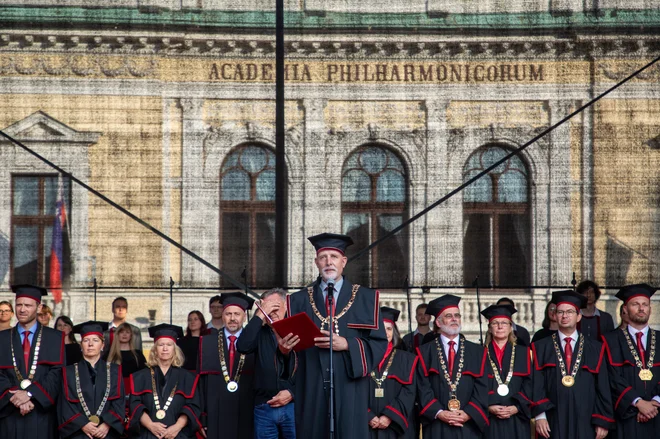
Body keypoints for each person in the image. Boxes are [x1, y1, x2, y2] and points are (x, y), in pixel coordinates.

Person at [286, 233, 388, 439]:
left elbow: (379, 344)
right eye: (323, 257)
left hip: (350, 385)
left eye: (333, 256)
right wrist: (284, 348)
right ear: (316, 262)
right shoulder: (297, 300)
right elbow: (289, 353)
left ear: (344, 262)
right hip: (311, 383)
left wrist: (348, 344)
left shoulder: (366, 298)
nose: (328, 262)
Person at [531, 290, 614, 439]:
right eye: (560, 312)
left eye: (569, 312)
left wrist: (602, 419)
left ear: (579, 316)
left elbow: (602, 386)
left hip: (586, 418)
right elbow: (537, 384)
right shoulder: (540, 347)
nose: (564, 316)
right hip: (552, 418)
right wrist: (540, 415)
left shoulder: (596, 348)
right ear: (555, 316)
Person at [415, 294, 489, 439]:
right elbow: (422, 387)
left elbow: (483, 387)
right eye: (449, 316)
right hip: (437, 424)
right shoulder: (425, 352)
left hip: (468, 424)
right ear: (438, 322)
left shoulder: (477, 351)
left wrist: (468, 413)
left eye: (457, 315)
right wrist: (439, 412)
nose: (454, 319)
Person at [0, 284, 66, 438]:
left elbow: (57, 374)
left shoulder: (55, 338)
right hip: (9, 414)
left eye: (28, 305)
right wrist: (15, 397)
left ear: (38, 307)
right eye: (19, 305)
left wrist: (30, 394)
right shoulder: (2, 338)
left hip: (41, 414)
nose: (22, 309)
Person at [236, 289, 298, 439]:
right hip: (265, 405)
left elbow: (310, 368)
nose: (272, 312)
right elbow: (243, 346)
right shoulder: (260, 332)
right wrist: (259, 314)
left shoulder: (297, 329)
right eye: (267, 308)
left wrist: (292, 392)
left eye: (275, 307)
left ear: (286, 306)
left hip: (293, 405)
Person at [602, 284, 660, 439]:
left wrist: (654, 403)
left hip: (658, 416)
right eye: (635, 304)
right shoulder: (610, 340)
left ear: (650, 308)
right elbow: (611, 378)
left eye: (645, 304)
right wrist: (638, 403)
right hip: (626, 418)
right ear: (625, 309)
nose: (641, 308)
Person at [199, 292, 256, 439]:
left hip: (247, 410)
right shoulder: (207, 342)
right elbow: (201, 385)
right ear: (222, 316)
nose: (232, 319)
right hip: (216, 413)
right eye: (228, 314)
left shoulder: (256, 342)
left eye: (237, 314)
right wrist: (202, 418)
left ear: (244, 316)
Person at [128, 324, 202, 439]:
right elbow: (135, 405)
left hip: (178, 435)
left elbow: (193, 406)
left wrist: (176, 427)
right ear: (155, 349)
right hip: (147, 434)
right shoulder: (140, 377)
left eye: (169, 344)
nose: (165, 348)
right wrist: (151, 425)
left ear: (175, 348)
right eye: (161, 345)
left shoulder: (187, 377)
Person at [57, 321, 125, 439]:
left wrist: (107, 424)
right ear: (81, 345)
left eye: (95, 340)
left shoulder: (115, 371)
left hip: (106, 433)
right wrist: (83, 424)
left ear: (103, 345)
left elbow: (119, 403)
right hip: (78, 432)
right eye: (86, 340)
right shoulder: (68, 372)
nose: (90, 344)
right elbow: (64, 405)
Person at [480, 304, 532, 439]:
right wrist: (489, 405)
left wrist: (517, 407)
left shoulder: (525, 353)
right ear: (489, 328)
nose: (500, 326)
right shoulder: (479, 354)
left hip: (517, 417)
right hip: (489, 418)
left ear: (510, 328)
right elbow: (475, 385)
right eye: (495, 323)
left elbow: (532, 384)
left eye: (504, 323)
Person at [367, 307, 417, 439]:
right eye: (381, 328)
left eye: (389, 329)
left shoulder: (407, 359)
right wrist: (367, 415)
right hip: (366, 425)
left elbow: (409, 392)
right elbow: (353, 389)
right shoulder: (363, 357)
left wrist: (390, 415)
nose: (386, 332)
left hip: (396, 425)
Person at [107, 322, 148, 395]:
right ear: (117, 335)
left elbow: (144, 375)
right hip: (114, 391)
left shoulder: (138, 355)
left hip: (134, 391)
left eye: (127, 332)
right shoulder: (109, 354)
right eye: (122, 332)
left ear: (131, 335)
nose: (124, 334)